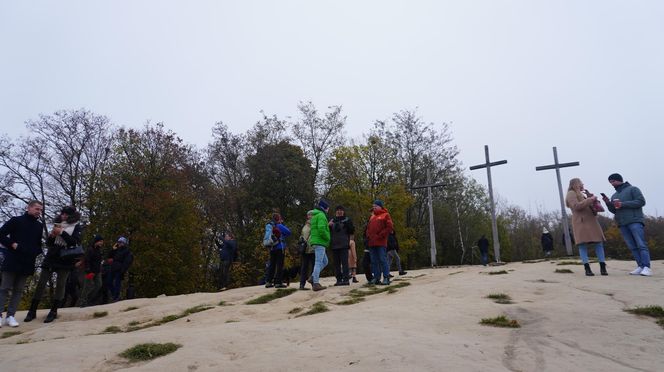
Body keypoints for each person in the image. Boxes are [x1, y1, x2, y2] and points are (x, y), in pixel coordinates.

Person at [25, 205, 83, 323]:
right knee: (41, 283)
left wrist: (62, 233)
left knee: (61, 285)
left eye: (66, 214)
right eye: (62, 213)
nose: (63, 216)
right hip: (52, 256)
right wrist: (52, 236)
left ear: (71, 216)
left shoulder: (76, 226)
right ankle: (32, 310)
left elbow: (75, 242)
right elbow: (49, 243)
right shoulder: (58, 223)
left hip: (66, 258)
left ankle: (54, 311)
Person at [0, 200, 44, 328]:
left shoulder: (39, 226)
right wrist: (12, 244)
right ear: (28, 208)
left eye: (40, 210)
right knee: (4, 288)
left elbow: (38, 244)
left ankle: (10, 316)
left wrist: (36, 252)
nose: (39, 212)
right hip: (12, 259)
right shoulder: (16, 220)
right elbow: (1, 234)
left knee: (18, 290)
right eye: (37, 209)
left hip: (27, 262)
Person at [602, 173, 652, 276]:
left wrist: (623, 204)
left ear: (619, 180)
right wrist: (607, 203)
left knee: (641, 245)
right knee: (632, 247)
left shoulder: (633, 189)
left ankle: (647, 267)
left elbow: (641, 201)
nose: (612, 183)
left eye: (613, 181)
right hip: (622, 223)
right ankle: (640, 266)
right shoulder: (614, 196)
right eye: (610, 182)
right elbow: (614, 210)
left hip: (635, 221)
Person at [565, 178, 608, 276]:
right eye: (581, 183)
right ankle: (587, 269)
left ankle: (603, 267)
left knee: (598, 243)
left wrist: (594, 201)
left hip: (591, 221)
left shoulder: (582, 194)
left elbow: (588, 206)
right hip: (581, 222)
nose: (583, 184)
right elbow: (576, 206)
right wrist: (590, 200)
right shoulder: (571, 193)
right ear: (576, 184)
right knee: (582, 245)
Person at [366, 200, 393, 285]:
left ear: (380, 206)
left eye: (376, 206)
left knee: (382, 259)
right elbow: (368, 228)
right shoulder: (372, 216)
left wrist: (381, 235)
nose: (374, 207)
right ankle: (376, 278)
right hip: (372, 242)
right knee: (374, 261)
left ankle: (386, 277)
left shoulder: (386, 215)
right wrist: (368, 236)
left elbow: (390, 227)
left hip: (381, 242)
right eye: (373, 206)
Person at [329, 205, 355, 286]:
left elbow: (352, 231)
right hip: (334, 245)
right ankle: (338, 280)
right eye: (338, 210)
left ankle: (346, 279)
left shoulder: (347, 219)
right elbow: (328, 232)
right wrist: (328, 226)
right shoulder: (332, 221)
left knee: (345, 263)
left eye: (341, 210)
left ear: (343, 211)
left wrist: (348, 224)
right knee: (336, 264)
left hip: (344, 244)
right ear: (335, 212)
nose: (339, 212)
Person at [264, 213, 291, 288]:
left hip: (272, 247)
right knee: (279, 265)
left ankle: (268, 281)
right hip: (280, 247)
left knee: (272, 264)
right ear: (279, 219)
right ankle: (278, 282)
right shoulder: (279, 225)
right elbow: (289, 232)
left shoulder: (270, 226)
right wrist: (281, 224)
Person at [309, 200, 331, 291]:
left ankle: (313, 277)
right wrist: (327, 237)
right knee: (318, 262)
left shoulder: (315, 215)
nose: (328, 210)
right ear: (324, 208)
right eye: (328, 209)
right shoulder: (321, 215)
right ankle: (316, 283)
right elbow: (321, 229)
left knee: (325, 261)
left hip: (316, 241)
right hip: (320, 241)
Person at [78, 235, 104, 307]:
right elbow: (87, 261)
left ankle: (89, 298)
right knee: (87, 286)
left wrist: (100, 269)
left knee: (99, 285)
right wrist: (88, 271)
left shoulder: (99, 250)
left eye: (102, 242)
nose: (102, 243)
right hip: (89, 271)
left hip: (97, 271)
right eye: (100, 241)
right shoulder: (90, 249)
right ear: (96, 241)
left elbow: (99, 261)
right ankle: (82, 301)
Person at [108, 237, 133, 302]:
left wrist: (123, 270)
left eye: (121, 242)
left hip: (119, 269)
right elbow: (109, 256)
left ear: (124, 243)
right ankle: (114, 295)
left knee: (117, 284)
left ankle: (116, 297)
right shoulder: (116, 250)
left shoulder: (127, 251)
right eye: (118, 242)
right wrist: (113, 249)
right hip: (113, 268)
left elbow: (127, 262)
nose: (119, 243)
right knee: (109, 282)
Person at [298, 211, 316, 290]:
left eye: (310, 215)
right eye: (309, 215)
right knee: (313, 267)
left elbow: (301, 237)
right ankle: (314, 283)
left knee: (304, 267)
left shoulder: (304, 226)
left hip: (304, 249)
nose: (310, 216)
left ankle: (302, 284)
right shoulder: (314, 226)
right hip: (311, 248)